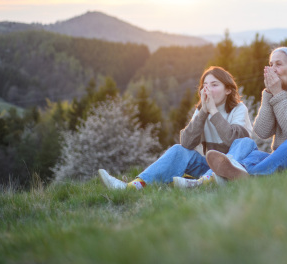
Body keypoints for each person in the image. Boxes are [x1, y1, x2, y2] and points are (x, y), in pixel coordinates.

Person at [98, 66, 252, 190]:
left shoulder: (239, 109)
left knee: (245, 142)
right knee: (178, 149)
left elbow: (235, 141)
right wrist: (205, 111)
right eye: (204, 86)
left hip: (235, 168)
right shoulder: (201, 110)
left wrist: (214, 112)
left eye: (214, 85)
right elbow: (186, 143)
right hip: (208, 167)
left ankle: (203, 182)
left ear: (228, 90)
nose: (208, 90)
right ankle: (133, 186)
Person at [206, 47, 287, 180]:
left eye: (278, 64)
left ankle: (252, 176)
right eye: (271, 65)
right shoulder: (274, 92)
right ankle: (230, 173)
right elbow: (262, 132)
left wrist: (278, 94)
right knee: (251, 152)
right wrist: (269, 93)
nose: (272, 69)